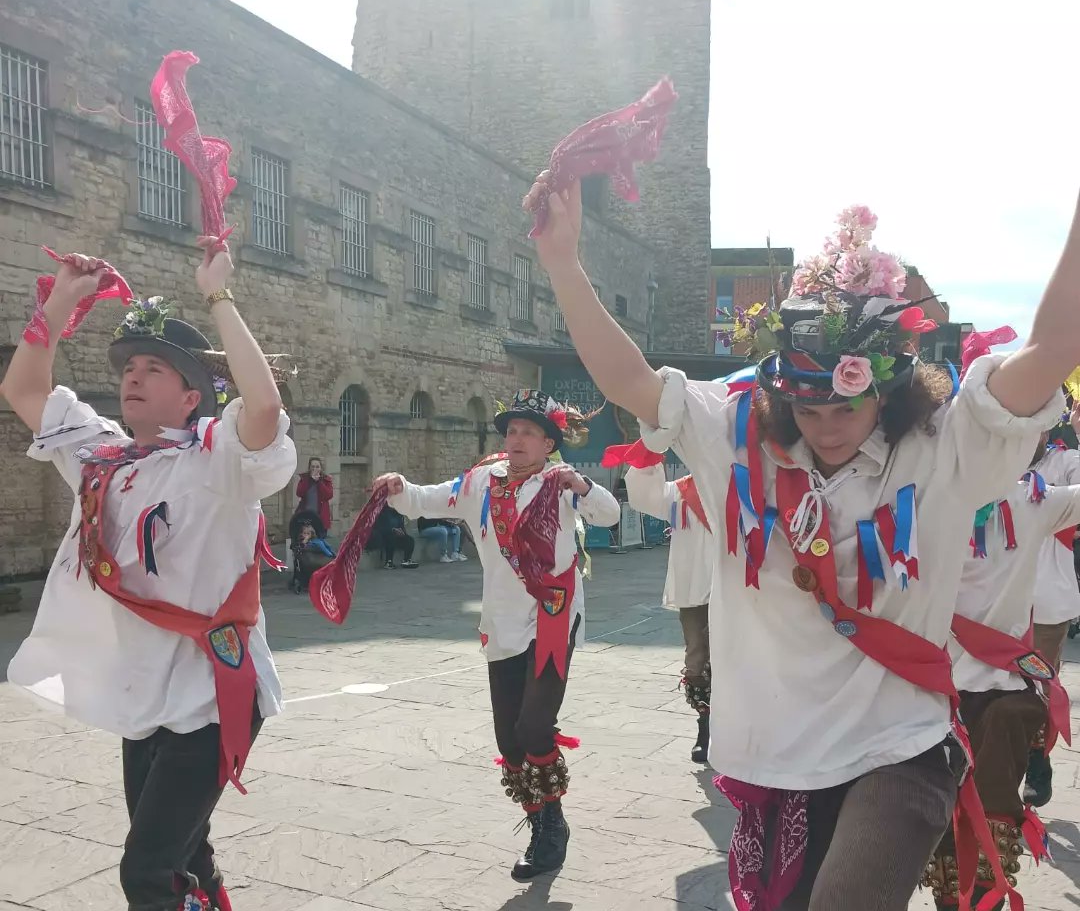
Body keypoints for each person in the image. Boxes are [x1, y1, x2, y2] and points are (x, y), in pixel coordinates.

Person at [528, 174, 1079, 911]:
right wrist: (564, 262)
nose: (826, 425)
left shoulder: (944, 447)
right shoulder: (731, 433)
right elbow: (629, 377)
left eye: (847, 404)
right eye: (806, 405)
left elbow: (1047, 350)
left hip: (899, 747)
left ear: (888, 386)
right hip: (773, 757)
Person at [1, 242, 296, 911]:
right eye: (129, 366)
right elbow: (22, 389)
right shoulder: (98, 454)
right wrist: (60, 302)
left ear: (192, 395)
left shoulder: (217, 459)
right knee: (187, 855)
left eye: (154, 368)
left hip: (213, 694)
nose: (133, 375)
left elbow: (264, 411)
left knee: (148, 873)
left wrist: (218, 294)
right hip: (144, 695)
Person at [372, 390, 619, 881]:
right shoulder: (482, 480)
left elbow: (609, 515)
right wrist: (399, 487)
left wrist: (585, 486)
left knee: (534, 727)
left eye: (529, 431)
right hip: (501, 622)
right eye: (511, 431)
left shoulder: (560, 481)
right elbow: (428, 500)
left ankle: (551, 831)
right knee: (509, 742)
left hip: (552, 617)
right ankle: (541, 820)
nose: (517, 439)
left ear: (549, 442)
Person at [922, 428, 1080, 908]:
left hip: (1003, 692)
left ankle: (978, 900)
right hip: (928, 691)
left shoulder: (1035, 501)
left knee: (992, 814)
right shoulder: (922, 498)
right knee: (935, 812)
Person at [622, 459, 714, 763]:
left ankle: (739, 730)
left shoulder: (745, 487)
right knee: (697, 658)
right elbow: (642, 496)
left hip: (739, 590)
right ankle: (705, 728)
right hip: (693, 590)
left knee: (739, 660)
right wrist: (650, 452)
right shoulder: (680, 491)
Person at [1024, 402, 1080, 806]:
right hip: (991, 603)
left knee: (1038, 687)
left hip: (1045, 601)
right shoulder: (992, 461)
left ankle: (1036, 762)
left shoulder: (1066, 461)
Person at [290, 520, 335, 594]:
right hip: (309, 557)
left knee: (323, 544)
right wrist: (305, 540)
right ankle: (329, 554)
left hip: (318, 553)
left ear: (312, 534)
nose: (306, 535)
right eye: (304, 533)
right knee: (320, 545)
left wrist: (331, 553)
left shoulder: (315, 541)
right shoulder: (302, 541)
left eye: (308, 534)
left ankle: (331, 554)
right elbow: (300, 546)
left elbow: (324, 546)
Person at [369, 503, 417, 569]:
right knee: (390, 538)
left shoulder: (399, 514)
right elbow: (379, 527)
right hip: (385, 536)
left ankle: (407, 560)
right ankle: (388, 562)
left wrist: (402, 532)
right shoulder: (382, 513)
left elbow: (401, 526)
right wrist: (392, 530)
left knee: (410, 539)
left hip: (396, 536)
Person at [295, 457, 333, 534]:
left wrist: (319, 482)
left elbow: (329, 495)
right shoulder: (304, 478)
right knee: (305, 541)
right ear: (309, 468)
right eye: (312, 467)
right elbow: (299, 493)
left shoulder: (326, 480)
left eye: (317, 467)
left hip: (320, 517)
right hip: (306, 517)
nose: (315, 469)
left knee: (319, 541)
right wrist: (308, 480)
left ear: (321, 468)